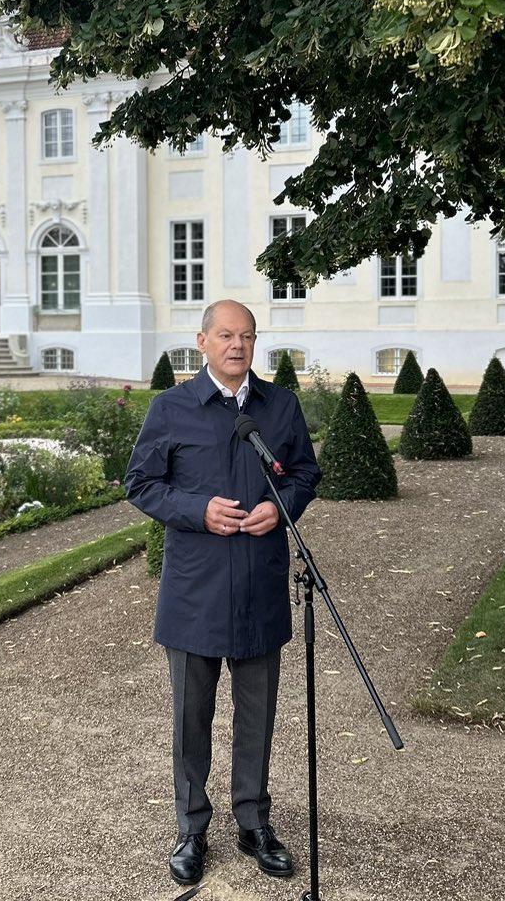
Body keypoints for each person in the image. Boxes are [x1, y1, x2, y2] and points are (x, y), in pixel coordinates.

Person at [124, 299, 320, 888]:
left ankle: (253, 823)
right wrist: (194, 510)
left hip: (260, 585)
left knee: (257, 717)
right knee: (192, 719)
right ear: (203, 341)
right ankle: (191, 828)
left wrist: (279, 508)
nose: (238, 346)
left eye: (248, 336)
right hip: (194, 593)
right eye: (227, 335)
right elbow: (140, 483)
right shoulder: (171, 408)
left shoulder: (280, 406)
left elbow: (305, 473)